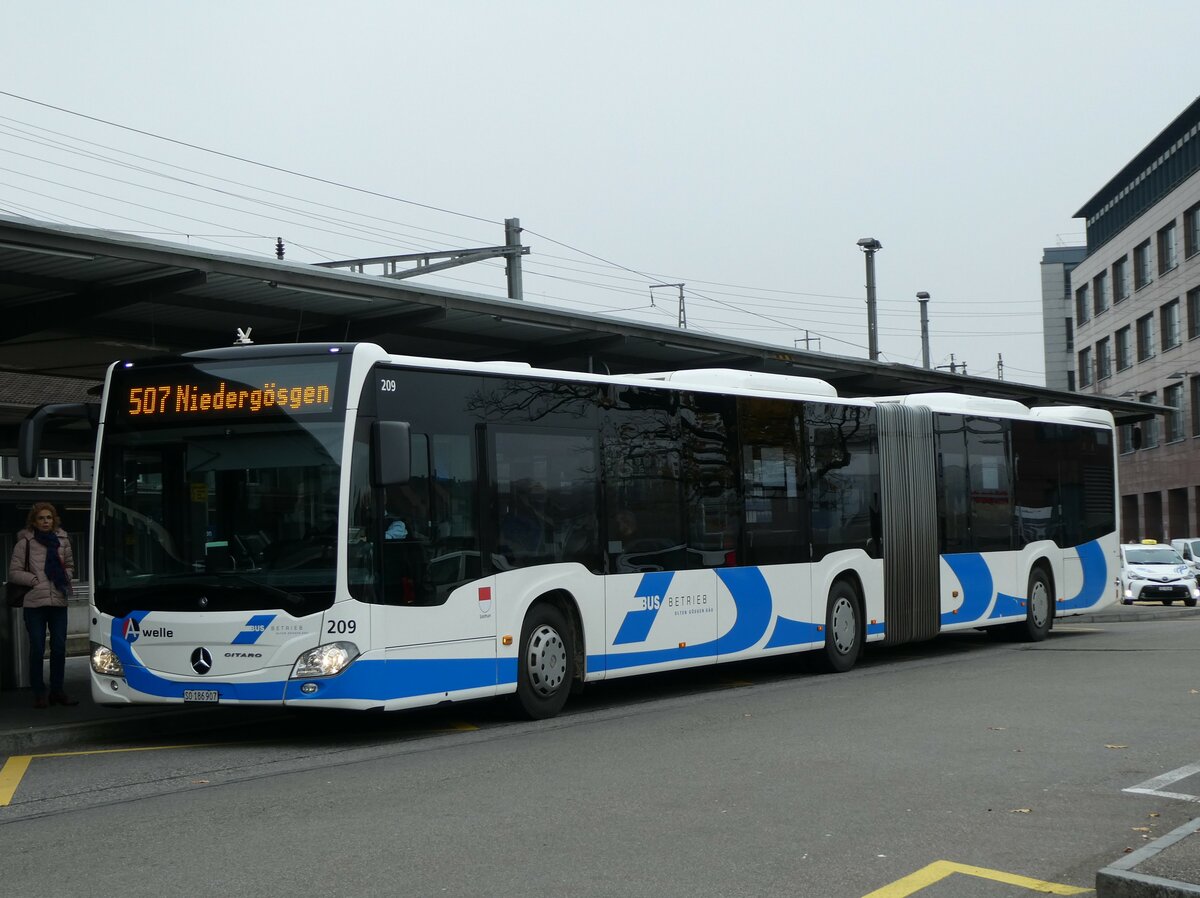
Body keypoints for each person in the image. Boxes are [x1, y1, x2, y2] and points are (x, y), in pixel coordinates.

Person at [9, 502, 77, 709]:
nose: (45, 521)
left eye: (49, 517)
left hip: (58, 600)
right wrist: (33, 581)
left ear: (54, 519)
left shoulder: (63, 541)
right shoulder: (25, 543)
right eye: (41, 518)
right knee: (37, 649)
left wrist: (65, 577)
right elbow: (13, 572)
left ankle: (57, 691)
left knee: (58, 648)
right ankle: (39, 692)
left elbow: (71, 567)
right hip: (34, 603)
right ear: (34, 521)